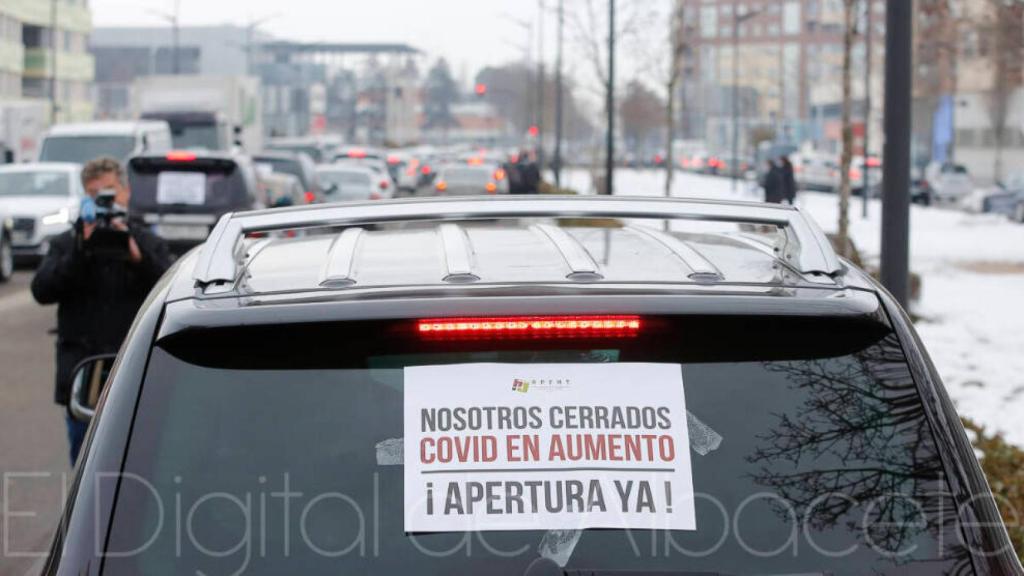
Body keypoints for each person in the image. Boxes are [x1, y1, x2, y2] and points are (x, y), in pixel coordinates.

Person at [31, 157, 172, 465]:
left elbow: (170, 288)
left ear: (126, 192)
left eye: (109, 192)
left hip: (134, 370)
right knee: (86, 464)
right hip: (86, 376)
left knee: (139, 462)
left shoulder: (146, 242)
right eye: (95, 195)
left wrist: (138, 257)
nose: (104, 201)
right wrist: (82, 251)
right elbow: (41, 290)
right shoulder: (69, 244)